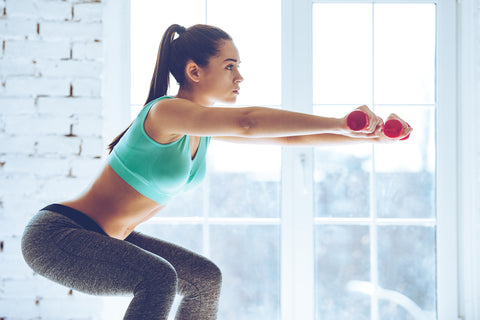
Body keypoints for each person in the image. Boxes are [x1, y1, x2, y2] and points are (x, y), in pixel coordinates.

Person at [21, 24, 412, 320]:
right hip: (59, 236)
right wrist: (339, 121)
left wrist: (371, 139)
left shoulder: (199, 129)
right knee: (159, 278)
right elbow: (247, 121)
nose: (239, 77)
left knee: (204, 279)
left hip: (106, 238)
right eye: (230, 66)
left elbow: (289, 141)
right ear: (194, 70)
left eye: (238, 67)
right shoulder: (165, 112)